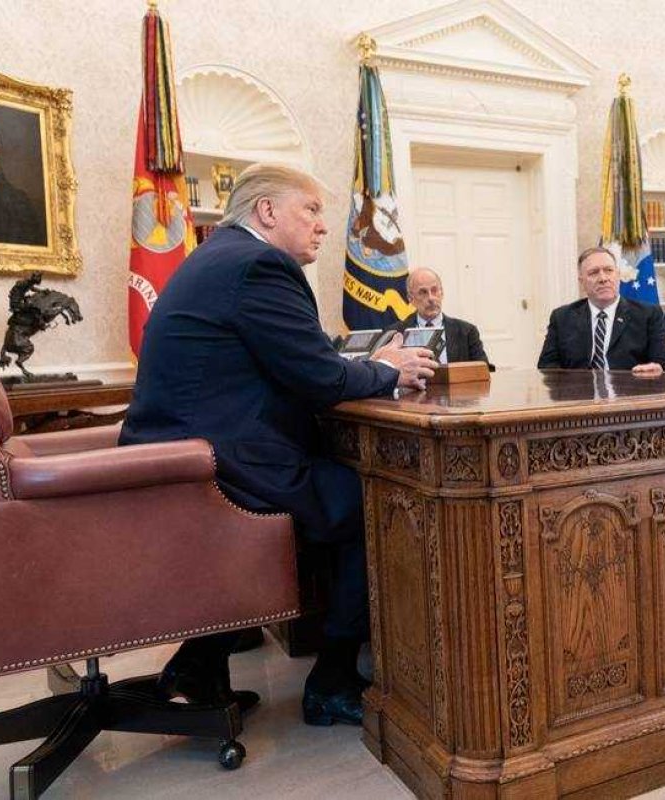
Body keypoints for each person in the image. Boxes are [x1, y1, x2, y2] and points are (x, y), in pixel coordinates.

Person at [120, 163, 439, 728]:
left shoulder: (218, 258)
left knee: (329, 484)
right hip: (218, 466)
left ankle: (200, 665)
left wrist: (360, 367)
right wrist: (387, 370)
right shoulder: (259, 264)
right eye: (311, 210)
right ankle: (333, 682)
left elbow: (292, 363)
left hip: (185, 458)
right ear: (268, 212)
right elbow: (319, 378)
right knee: (372, 501)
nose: (322, 226)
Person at [537, 246, 665, 374]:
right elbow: (547, 367)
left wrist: (656, 368)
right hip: (579, 394)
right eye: (593, 273)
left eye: (609, 270)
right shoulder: (562, 318)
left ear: (618, 275)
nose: (603, 278)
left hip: (631, 393)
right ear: (582, 281)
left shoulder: (648, 314)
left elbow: (663, 362)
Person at [393, 267, 489, 365]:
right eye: (423, 292)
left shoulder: (467, 332)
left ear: (442, 293)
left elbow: (482, 371)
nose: (431, 298)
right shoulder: (397, 334)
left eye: (434, 290)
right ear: (410, 298)